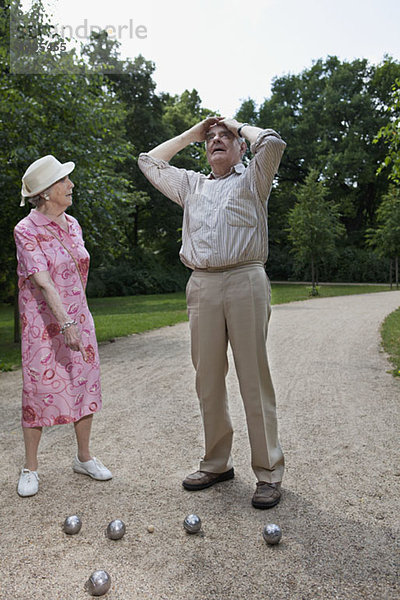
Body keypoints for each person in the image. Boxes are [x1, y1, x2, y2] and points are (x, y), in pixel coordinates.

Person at [138, 117, 286, 509]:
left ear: (240, 148)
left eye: (227, 138)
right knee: (207, 378)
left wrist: (238, 125)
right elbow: (149, 162)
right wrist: (192, 134)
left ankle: (268, 473)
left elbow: (272, 143)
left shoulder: (253, 179)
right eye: (212, 139)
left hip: (245, 278)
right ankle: (217, 463)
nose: (218, 141)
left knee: (253, 376)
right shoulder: (192, 185)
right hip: (201, 283)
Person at [14, 155, 112, 497]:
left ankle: (83, 458)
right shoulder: (26, 230)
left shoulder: (73, 225)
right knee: (39, 390)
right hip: (43, 325)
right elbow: (43, 281)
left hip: (78, 319)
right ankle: (30, 468)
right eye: (63, 181)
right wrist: (65, 321)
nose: (71, 185)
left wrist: (76, 319)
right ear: (43, 193)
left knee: (83, 383)